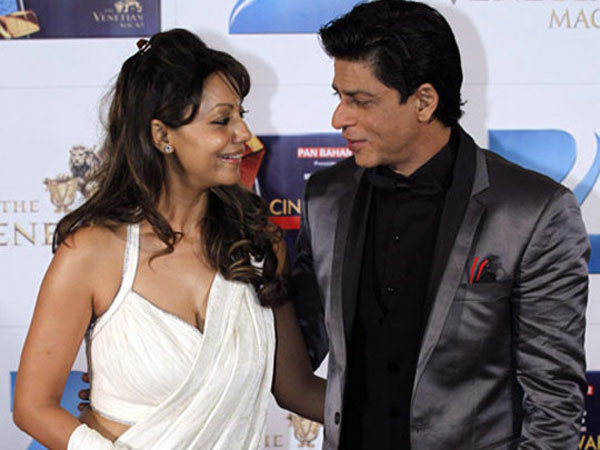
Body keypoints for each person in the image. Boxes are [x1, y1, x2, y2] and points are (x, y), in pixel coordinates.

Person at [292, 1, 589, 449]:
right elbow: (295, 344)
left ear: (424, 101)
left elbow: (553, 404)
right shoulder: (325, 197)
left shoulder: (534, 212)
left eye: (361, 101)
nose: (339, 118)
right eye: (339, 97)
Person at [13, 29, 324, 450]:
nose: (244, 133)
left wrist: (404, 418)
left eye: (241, 114)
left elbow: (296, 388)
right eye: (222, 120)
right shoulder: (92, 251)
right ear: (162, 136)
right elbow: (32, 407)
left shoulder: (258, 244)